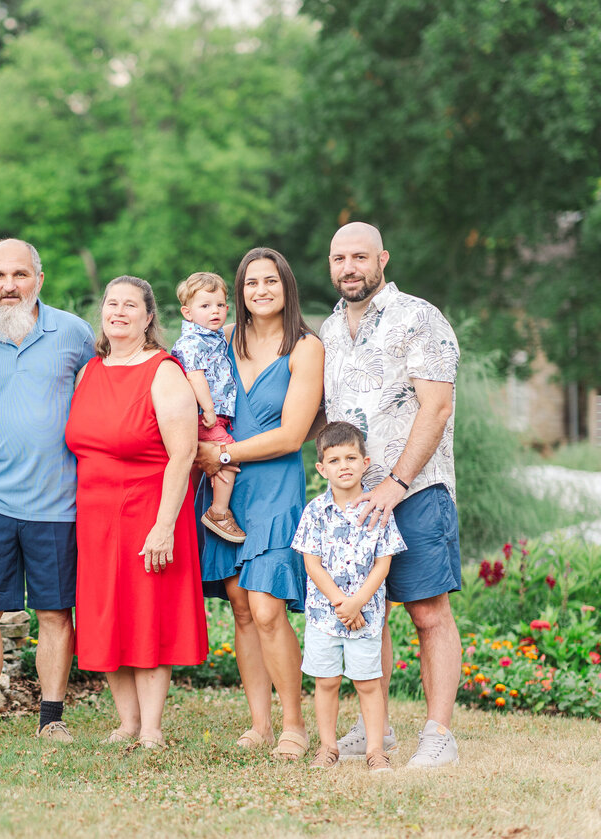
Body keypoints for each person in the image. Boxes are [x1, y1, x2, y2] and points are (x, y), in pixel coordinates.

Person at [321, 221, 462, 769]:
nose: (348, 267)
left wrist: (396, 482)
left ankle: (438, 733)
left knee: (428, 612)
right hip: (354, 500)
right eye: (339, 259)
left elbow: (437, 407)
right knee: (367, 613)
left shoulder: (418, 318)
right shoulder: (330, 330)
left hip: (417, 489)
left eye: (359, 256)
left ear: (383, 259)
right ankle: (375, 727)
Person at [0, 238, 95, 745]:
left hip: (59, 500)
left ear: (39, 279)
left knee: (56, 612)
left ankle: (52, 718)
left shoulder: (75, 334)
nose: (8, 286)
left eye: (19, 275)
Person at [194, 247, 324, 760]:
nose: (261, 291)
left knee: (269, 608)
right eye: (251, 283)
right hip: (226, 490)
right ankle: (259, 724)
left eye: (271, 281)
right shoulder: (223, 340)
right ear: (240, 292)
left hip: (274, 488)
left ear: (286, 287)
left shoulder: (306, 348)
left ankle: (295, 724)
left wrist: (219, 451)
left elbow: (292, 435)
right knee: (243, 611)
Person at [66, 276, 206, 750]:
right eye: (112, 303)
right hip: (95, 516)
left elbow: (184, 454)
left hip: (149, 510)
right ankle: (126, 721)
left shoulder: (164, 371)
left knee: (147, 616)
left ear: (149, 318)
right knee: (106, 616)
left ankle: (151, 729)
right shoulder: (90, 372)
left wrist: (164, 526)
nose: (119, 312)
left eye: (131, 305)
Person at [292, 422, 406, 772]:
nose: (344, 466)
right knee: (325, 682)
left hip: (365, 616)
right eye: (335, 459)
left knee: (368, 683)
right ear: (321, 468)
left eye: (351, 458)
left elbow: (382, 565)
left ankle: (375, 750)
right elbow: (312, 563)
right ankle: (328, 748)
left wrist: (358, 603)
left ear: (365, 462)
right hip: (325, 617)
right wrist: (343, 603)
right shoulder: (315, 511)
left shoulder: (378, 510)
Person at [172, 271, 244, 543]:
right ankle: (219, 512)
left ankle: (200, 511)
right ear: (187, 313)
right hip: (204, 418)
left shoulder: (213, 337)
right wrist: (210, 410)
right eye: (205, 306)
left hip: (214, 417)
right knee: (227, 456)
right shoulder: (192, 342)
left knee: (217, 459)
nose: (215, 311)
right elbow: (195, 375)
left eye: (220, 305)